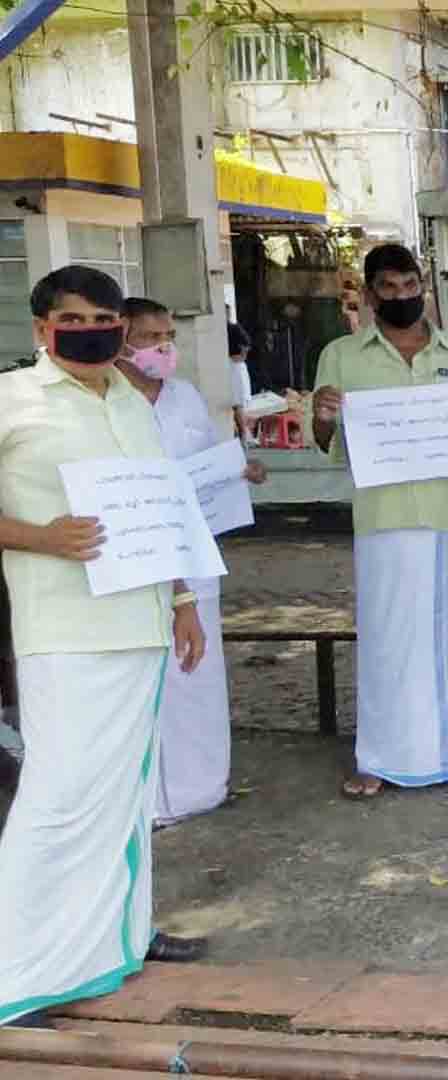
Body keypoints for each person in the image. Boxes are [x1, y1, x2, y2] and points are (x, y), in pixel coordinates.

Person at [0, 266, 210, 1028]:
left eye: (104, 319)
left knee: (127, 793)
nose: (92, 331)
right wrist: (41, 538)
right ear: (41, 328)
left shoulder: (131, 400)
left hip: (141, 624)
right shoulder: (12, 399)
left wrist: (183, 600)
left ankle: (119, 936)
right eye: (75, 319)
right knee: (58, 796)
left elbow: (158, 509)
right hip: (64, 630)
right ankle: (15, 969)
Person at [311, 245, 448, 800]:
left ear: (423, 286)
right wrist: (322, 417)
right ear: (369, 294)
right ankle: (379, 757)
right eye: (389, 288)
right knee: (386, 637)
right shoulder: (341, 356)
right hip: (383, 518)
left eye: (409, 285)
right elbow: (327, 443)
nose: (402, 296)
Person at [117, 299, 267, 826]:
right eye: (150, 337)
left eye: (169, 335)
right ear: (121, 340)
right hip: (135, 556)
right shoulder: (105, 401)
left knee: (197, 671)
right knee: (144, 675)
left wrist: (239, 471)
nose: (164, 347)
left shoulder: (185, 397)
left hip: (195, 553)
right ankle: (148, 799)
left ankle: (202, 786)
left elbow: (207, 464)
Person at [227, 323, 252, 441]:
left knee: (238, 403)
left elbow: (246, 342)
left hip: (234, 365)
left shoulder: (231, 328)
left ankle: (243, 434)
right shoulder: (235, 367)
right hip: (232, 364)